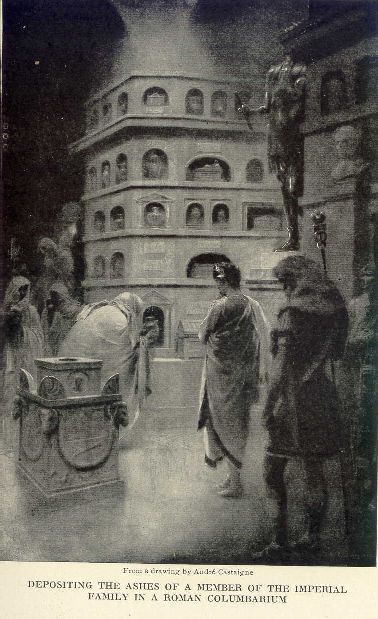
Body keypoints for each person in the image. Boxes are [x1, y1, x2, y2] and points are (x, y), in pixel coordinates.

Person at [254, 255, 349, 561]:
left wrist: (268, 406)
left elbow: (281, 370)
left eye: (285, 283)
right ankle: (312, 536)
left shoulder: (290, 314)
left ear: (294, 281)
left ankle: (279, 540)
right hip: (321, 396)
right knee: (314, 469)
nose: (284, 290)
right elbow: (335, 354)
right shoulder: (335, 313)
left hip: (291, 402)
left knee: (272, 471)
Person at [197, 262, 268, 498]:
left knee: (221, 423)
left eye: (218, 281)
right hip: (243, 376)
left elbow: (201, 334)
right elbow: (264, 333)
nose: (217, 285)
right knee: (238, 424)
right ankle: (233, 478)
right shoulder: (253, 305)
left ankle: (236, 484)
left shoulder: (219, 306)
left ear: (223, 281)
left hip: (220, 378)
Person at [239, 51, 306, 251]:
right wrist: (249, 111)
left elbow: (300, 107)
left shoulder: (301, 73)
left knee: (293, 187)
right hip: (276, 136)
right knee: (285, 187)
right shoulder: (273, 75)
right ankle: (293, 237)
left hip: (293, 135)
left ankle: (296, 233)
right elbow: (267, 107)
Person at [59, 292, 150, 413]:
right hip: (82, 368)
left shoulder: (98, 310)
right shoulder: (120, 319)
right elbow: (126, 353)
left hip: (67, 364)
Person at [1, 276, 44, 450]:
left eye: (25, 289)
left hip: (27, 359)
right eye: (19, 289)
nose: (22, 293)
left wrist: (21, 331)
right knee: (8, 396)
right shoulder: (5, 310)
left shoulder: (31, 311)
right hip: (9, 358)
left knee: (26, 396)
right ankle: (8, 442)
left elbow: (38, 336)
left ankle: (26, 442)